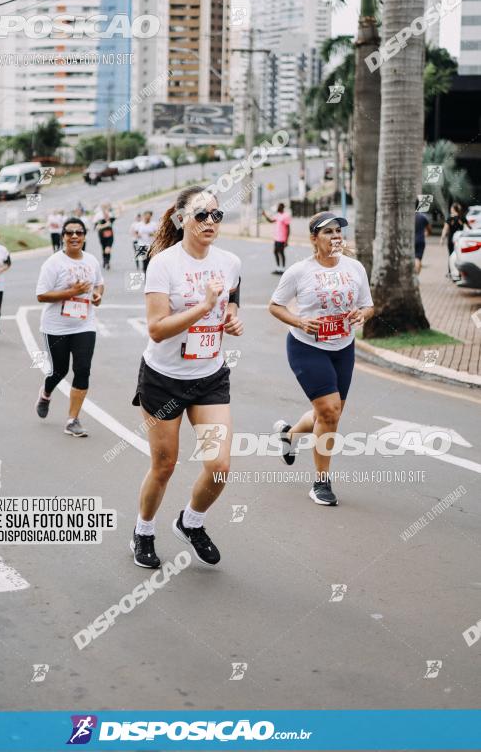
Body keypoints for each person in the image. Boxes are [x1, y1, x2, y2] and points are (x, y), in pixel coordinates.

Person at [130, 186, 244, 568]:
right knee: (164, 465)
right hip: (163, 378)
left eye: (216, 215)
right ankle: (143, 531)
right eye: (201, 215)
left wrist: (230, 315)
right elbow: (157, 329)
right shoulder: (163, 264)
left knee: (219, 466)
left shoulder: (230, 262)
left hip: (209, 378)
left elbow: (233, 298)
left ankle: (190, 522)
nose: (210, 222)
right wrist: (205, 306)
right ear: (182, 220)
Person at [268, 211, 374, 506]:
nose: (336, 236)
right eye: (328, 232)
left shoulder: (355, 269)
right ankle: (321, 482)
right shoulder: (299, 272)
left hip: (343, 347)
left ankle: (289, 434)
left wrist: (361, 315)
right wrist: (300, 322)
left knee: (328, 413)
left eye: (339, 231)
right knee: (328, 411)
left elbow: (368, 306)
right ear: (314, 239)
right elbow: (275, 306)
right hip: (307, 347)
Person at [35, 217, 104, 437]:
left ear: (84, 236)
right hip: (56, 327)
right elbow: (41, 295)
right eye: (69, 233)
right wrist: (71, 292)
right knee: (59, 370)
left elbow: (99, 283)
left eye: (79, 232)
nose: (74, 236)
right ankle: (46, 393)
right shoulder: (53, 263)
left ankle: (73, 420)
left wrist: (97, 295)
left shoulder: (92, 261)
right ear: (63, 237)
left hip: (85, 324)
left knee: (82, 369)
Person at [262, 202, 291, 274]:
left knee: (281, 253)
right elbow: (271, 221)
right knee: (275, 252)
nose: (277, 208)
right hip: (277, 238)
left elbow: (288, 229)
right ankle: (278, 269)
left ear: (282, 207)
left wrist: (286, 240)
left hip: (282, 239)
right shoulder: (277, 215)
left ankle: (283, 269)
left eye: (278, 207)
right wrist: (265, 215)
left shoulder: (286, 216)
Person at [440, 202, 468, 276]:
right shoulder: (462, 217)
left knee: (451, 255)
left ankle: (451, 272)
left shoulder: (450, 218)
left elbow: (445, 229)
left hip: (451, 239)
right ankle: (460, 271)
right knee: (459, 255)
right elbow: (468, 228)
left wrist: (442, 238)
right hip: (460, 239)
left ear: (453, 209)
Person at [94, 202, 116, 270]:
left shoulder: (110, 214)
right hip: (102, 235)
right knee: (104, 248)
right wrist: (105, 225)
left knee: (108, 249)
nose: (105, 208)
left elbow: (113, 220)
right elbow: (97, 226)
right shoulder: (98, 216)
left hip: (110, 234)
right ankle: (104, 260)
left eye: (106, 207)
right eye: (103, 207)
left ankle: (107, 262)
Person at [415, 202, 432, 275]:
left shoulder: (406, 217)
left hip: (409, 241)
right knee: (418, 259)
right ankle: (416, 277)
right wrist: (426, 233)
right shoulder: (422, 217)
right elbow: (429, 230)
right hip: (420, 240)